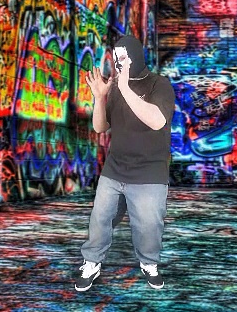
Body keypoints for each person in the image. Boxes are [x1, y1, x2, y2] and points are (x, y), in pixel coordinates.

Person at [74, 35, 177, 291]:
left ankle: (149, 263)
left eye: (124, 57)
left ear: (135, 56)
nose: (119, 63)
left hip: (149, 172)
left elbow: (157, 121)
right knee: (100, 218)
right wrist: (100, 97)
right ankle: (92, 261)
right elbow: (100, 127)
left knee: (149, 226)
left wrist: (126, 88)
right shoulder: (116, 87)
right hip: (115, 169)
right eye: (117, 58)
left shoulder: (159, 84)